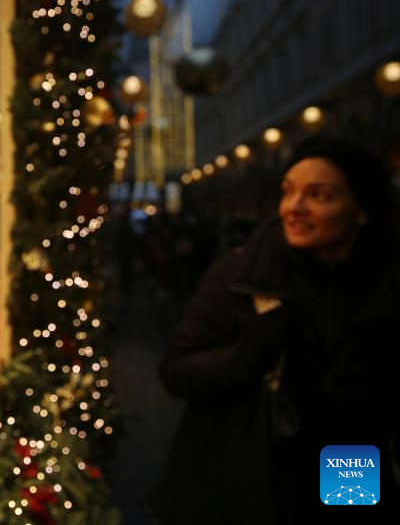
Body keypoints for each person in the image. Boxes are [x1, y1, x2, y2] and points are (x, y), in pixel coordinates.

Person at [148, 136, 400, 524]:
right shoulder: (240, 277)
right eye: (288, 192)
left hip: (350, 459)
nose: (294, 208)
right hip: (246, 475)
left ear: (361, 210)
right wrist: (249, 355)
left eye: (319, 195)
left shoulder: (384, 287)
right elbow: (176, 372)